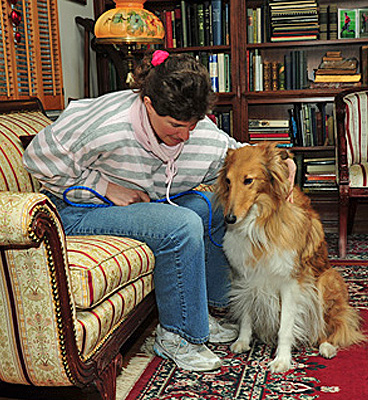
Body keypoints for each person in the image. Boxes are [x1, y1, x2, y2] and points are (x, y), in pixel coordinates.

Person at [23, 50, 244, 372]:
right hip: (74, 210)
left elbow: (239, 157)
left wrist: (279, 163)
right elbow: (37, 159)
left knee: (209, 207)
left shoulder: (196, 131)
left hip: (136, 205)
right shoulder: (104, 123)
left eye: (193, 126)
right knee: (180, 225)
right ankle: (177, 336)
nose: (184, 136)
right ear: (148, 105)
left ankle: (203, 310)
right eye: (175, 126)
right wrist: (105, 188)